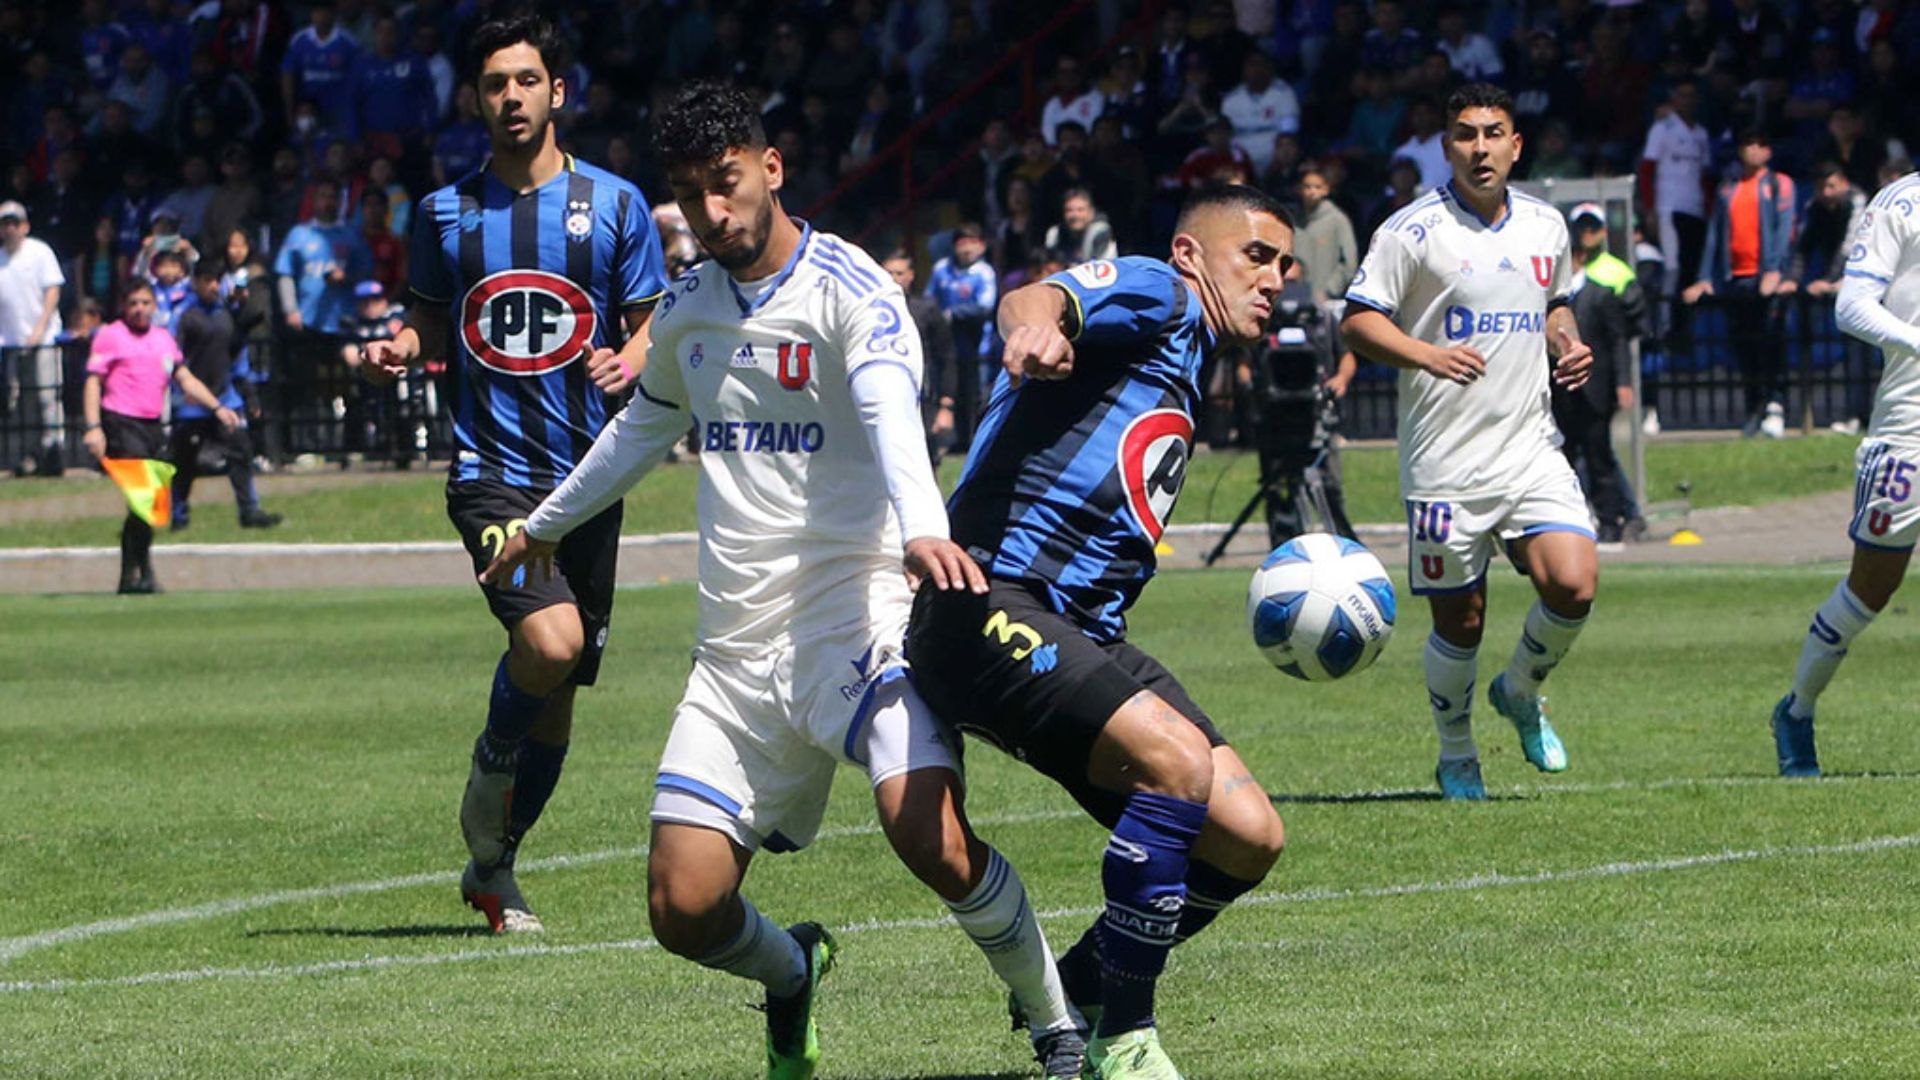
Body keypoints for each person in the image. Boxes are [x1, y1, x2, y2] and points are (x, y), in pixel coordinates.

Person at [478, 81, 1088, 1080]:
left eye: (726, 183)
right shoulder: (689, 308)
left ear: (771, 168)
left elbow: (890, 410)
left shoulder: (852, 290)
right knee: (682, 908)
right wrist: (544, 526)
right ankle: (793, 970)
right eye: (691, 195)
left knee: (930, 835)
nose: (712, 213)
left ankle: (1055, 1023)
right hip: (736, 654)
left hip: (864, 624)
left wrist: (923, 531)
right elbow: (643, 426)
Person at [907, 184, 1293, 1079]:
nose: (1275, 279)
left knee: (1248, 835)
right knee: (1176, 762)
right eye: (1257, 256)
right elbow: (1038, 297)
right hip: (985, 595)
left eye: (1284, 264)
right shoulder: (1162, 292)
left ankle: (1081, 981)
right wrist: (1034, 330)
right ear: (1193, 254)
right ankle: (1124, 1037)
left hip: (1084, 626)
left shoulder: (1190, 359)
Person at [358, 15, 668, 936]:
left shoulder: (616, 205)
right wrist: (400, 347)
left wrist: (630, 359)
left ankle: (494, 867)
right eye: (496, 84)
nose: (512, 97)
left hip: (592, 481)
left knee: (559, 701)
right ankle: (492, 760)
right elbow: (427, 317)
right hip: (492, 473)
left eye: (527, 80)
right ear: (476, 99)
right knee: (552, 643)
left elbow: (652, 324)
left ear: (557, 92)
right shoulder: (444, 213)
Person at [1342, 83, 1598, 801]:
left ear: (1516, 145)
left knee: (1574, 583)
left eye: (1492, 133)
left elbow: (1554, 305)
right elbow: (1358, 321)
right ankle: (1456, 753)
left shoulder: (1546, 225)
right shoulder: (1412, 231)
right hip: (1443, 462)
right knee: (1462, 621)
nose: (1479, 148)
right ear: (1445, 146)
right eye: (1464, 134)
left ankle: (1519, 689)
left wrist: (1567, 341)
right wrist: (1426, 355)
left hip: (1529, 448)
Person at [1771, 167, 1920, 776]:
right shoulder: (1902, 203)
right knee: (1871, 587)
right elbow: (1852, 306)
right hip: (1909, 427)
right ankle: (1797, 709)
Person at [81, 281, 235, 592]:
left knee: (147, 503)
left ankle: (130, 576)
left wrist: (217, 407)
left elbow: (184, 378)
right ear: (124, 306)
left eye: (145, 302)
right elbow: (93, 382)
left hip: (152, 426)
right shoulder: (111, 335)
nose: (139, 309)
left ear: (154, 306)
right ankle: (145, 572)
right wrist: (93, 427)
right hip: (121, 422)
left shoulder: (163, 339)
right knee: (144, 498)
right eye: (133, 303)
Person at [1682, 131, 1798, 440]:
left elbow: (1784, 229)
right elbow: (1715, 233)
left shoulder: (1778, 184)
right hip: (1735, 277)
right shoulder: (1728, 187)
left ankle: (1775, 403)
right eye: (1748, 144)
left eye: (1760, 144)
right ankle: (1754, 406)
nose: (1753, 150)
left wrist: (1775, 270)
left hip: (1765, 278)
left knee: (1771, 342)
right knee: (1744, 345)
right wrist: (1706, 277)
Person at [169, 256, 281, 531]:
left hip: (226, 398)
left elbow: (238, 357)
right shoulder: (184, 315)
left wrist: (249, 395)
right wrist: (181, 391)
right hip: (192, 402)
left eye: (217, 280)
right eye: (207, 280)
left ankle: (249, 511)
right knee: (185, 461)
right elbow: (173, 356)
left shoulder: (227, 314)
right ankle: (177, 515)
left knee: (240, 452)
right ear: (196, 282)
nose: (213, 286)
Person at [1555, 206, 1633, 544]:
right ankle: (1569, 520)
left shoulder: (1600, 294)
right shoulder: (1551, 300)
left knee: (1599, 456)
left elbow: (1617, 341)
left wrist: (1623, 383)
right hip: (1561, 391)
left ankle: (1610, 520)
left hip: (1596, 390)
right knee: (1563, 457)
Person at [0, 199, 67, 477]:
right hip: (10, 342)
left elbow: (52, 291)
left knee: (47, 396)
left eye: (14, 223)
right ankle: (29, 455)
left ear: (25, 226)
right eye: (5, 224)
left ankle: (54, 450)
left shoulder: (40, 252)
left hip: (44, 338)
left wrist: (40, 328)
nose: (9, 228)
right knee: (20, 401)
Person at [926, 223, 998, 450]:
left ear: (982, 246)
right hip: (946, 344)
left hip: (976, 343)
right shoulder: (942, 269)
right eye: (962, 243)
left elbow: (985, 306)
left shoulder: (984, 273)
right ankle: (954, 440)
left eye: (972, 243)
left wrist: (953, 314)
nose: (967, 249)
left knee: (975, 391)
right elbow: (929, 299)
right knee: (950, 389)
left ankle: (975, 439)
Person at [882, 249, 958, 461]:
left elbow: (946, 357)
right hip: (886, 397)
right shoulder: (870, 312)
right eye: (888, 273)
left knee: (925, 462)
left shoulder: (926, 310)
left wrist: (946, 406)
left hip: (923, 399)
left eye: (899, 273)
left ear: (910, 275)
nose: (893, 279)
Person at [1294, 167, 1357, 303]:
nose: (1312, 192)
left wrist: (1330, 290)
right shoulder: (1295, 221)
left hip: (1327, 299)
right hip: (1296, 296)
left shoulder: (1338, 220)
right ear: (1299, 190)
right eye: (1307, 187)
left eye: (1317, 187)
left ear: (1326, 190)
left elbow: (1349, 262)